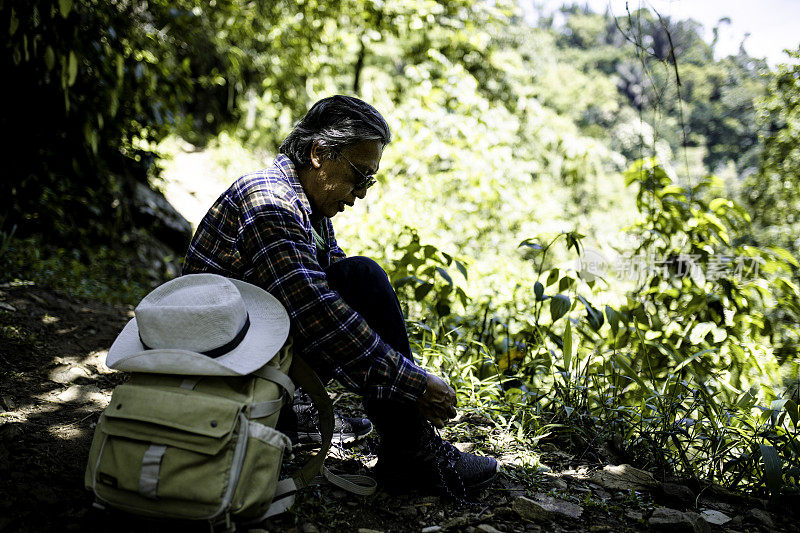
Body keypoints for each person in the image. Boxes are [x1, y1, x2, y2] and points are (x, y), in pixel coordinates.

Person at [182, 95, 498, 497]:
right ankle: (412, 455)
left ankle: (299, 417)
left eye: (370, 180)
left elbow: (338, 292)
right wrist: (414, 384)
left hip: (246, 362)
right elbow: (317, 311)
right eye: (359, 175)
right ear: (319, 153)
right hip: (215, 380)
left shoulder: (309, 205)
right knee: (362, 277)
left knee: (355, 279)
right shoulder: (269, 201)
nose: (362, 192)